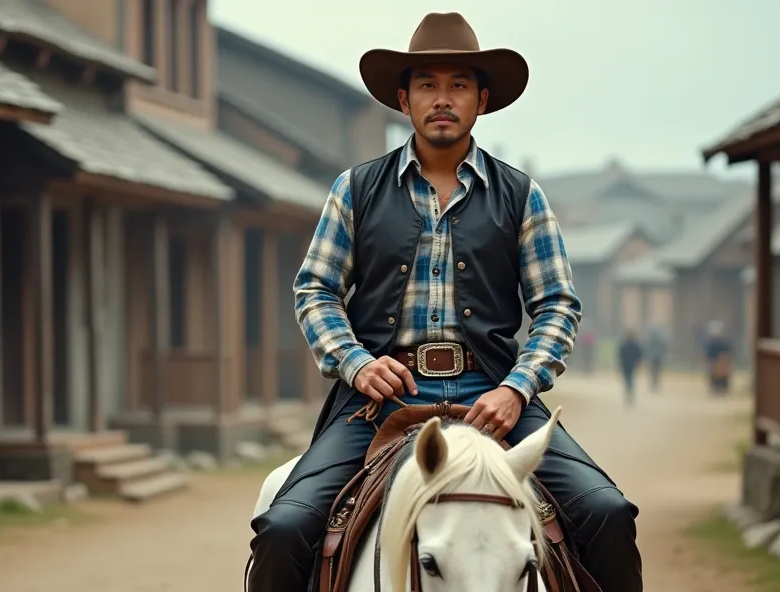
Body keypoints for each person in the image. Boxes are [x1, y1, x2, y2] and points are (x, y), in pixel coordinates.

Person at [247, 12, 642, 592]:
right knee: (283, 528)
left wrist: (517, 387)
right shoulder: (354, 189)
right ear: (403, 99)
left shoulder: (522, 195)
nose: (442, 99)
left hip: (496, 396)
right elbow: (315, 290)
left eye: (458, 85)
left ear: (481, 100)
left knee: (608, 516)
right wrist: (357, 364)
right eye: (427, 85)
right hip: (376, 404)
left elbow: (558, 304)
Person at [704, 320, 732, 396]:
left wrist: (725, 360)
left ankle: (722, 388)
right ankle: (715, 388)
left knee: (723, 376)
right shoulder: (711, 344)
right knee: (713, 375)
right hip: (714, 363)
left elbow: (728, 353)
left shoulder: (724, 343)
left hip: (722, 363)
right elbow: (708, 355)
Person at [618, 329, 643, 405]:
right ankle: (629, 391)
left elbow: (620, 356)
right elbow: (639, 355)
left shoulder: (624, 345)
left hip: (626, 365)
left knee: (628, 379)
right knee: (630, 378)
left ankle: (629, 391)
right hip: (631, 365)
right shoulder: (634, 345)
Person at [642, 323, 668, 393]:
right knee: (654, 371)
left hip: (654, 358)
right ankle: (654, 382)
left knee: (654, 371)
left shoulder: (650, 340)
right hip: (655, 358)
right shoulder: (656, 340)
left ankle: (654, 383)